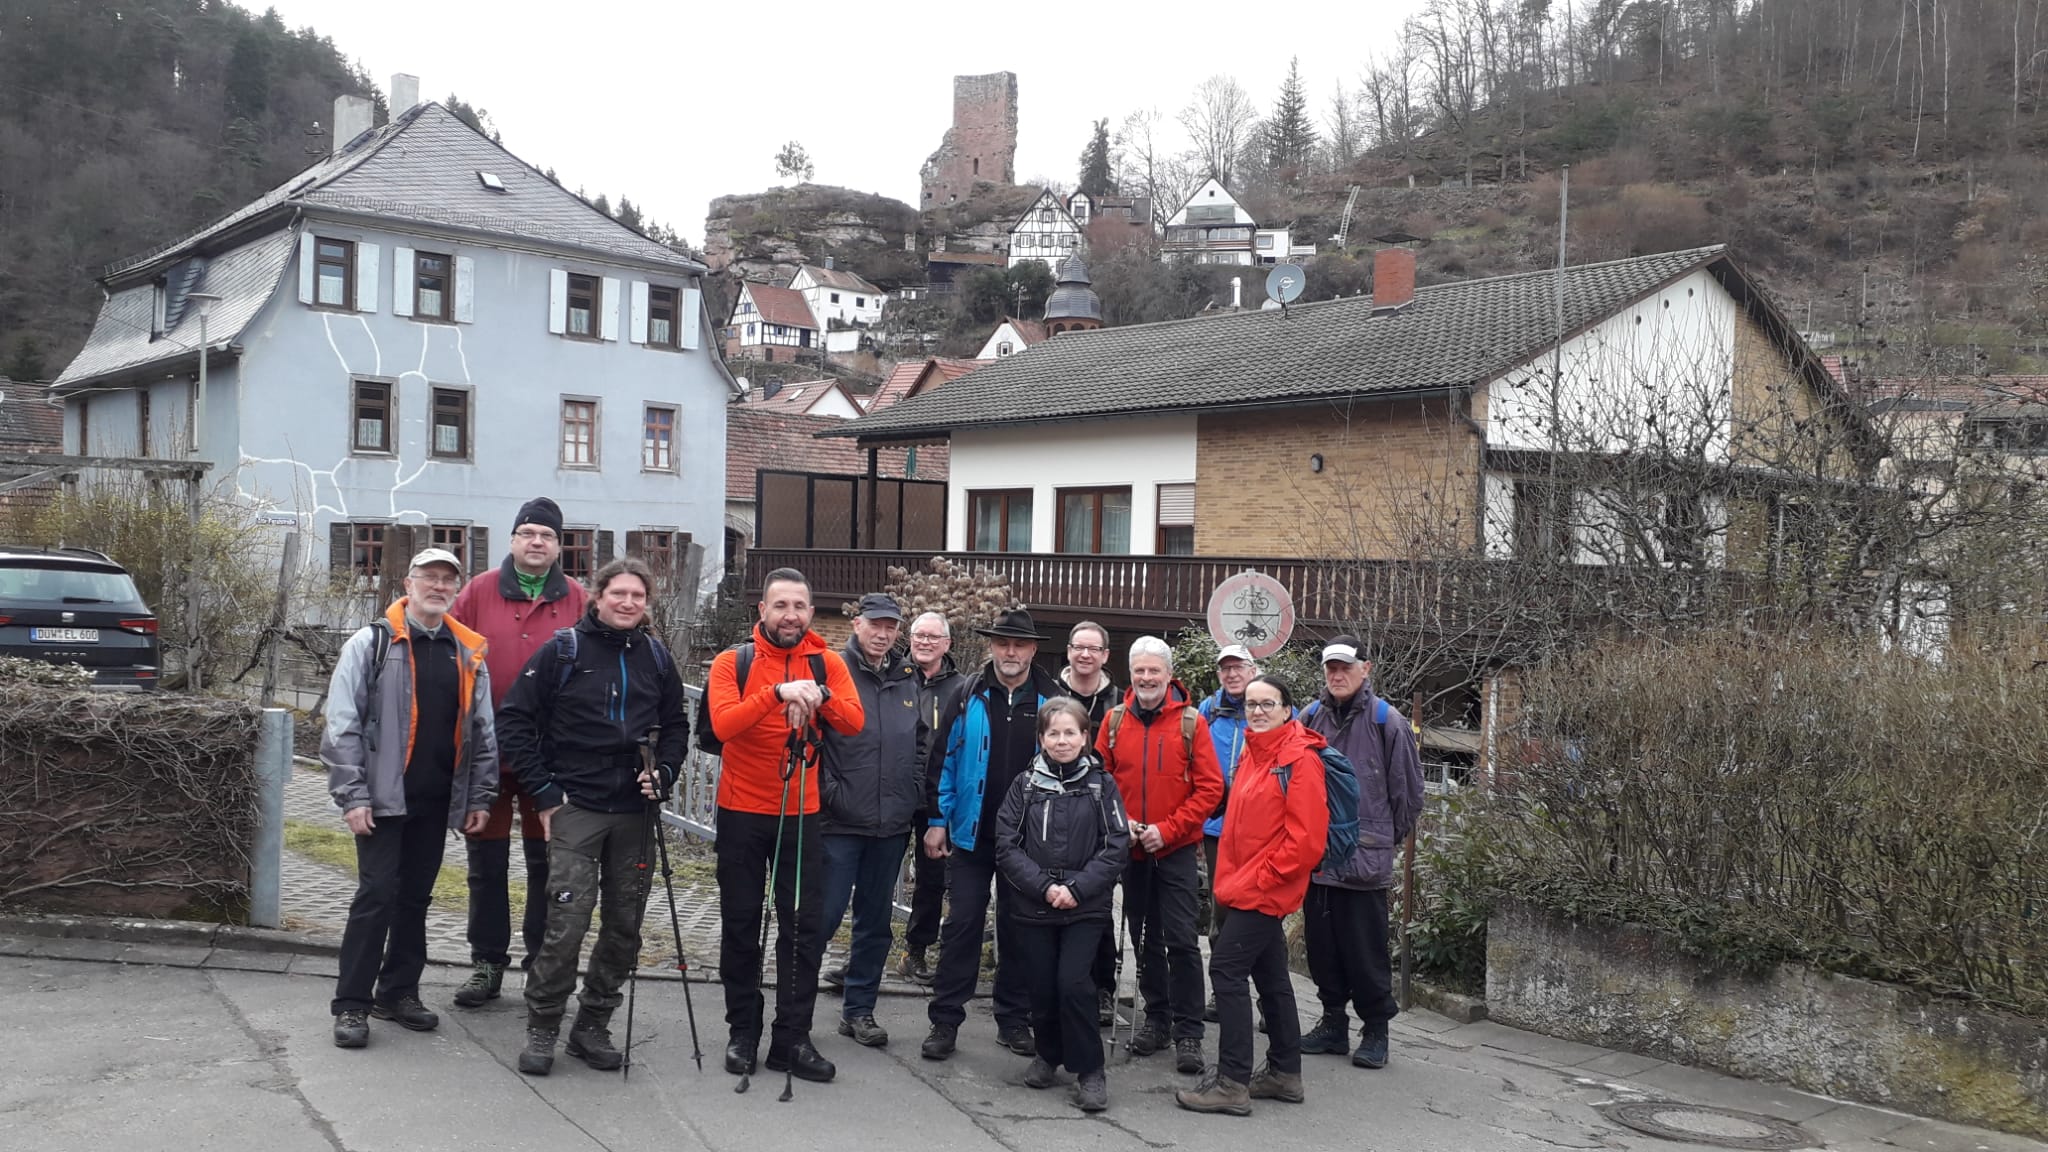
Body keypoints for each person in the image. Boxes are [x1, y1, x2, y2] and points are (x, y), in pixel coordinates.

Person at [495, 557, 687, 1076]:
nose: (628, 603)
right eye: (619, 593)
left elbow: (675, 725)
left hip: (635, 812)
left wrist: (664, 773)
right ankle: (543, 1026)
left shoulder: (656, 656)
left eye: (638, 596)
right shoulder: (563, 651)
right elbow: (513, 720)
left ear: (647, 604)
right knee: (567, 924)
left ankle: (593, 1024)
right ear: (597, 596)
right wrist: (544, 791)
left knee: (625, 928)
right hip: (576, 807)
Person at [323, 547, 497, 1049]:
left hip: (436, 800)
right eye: (429, 577)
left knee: (415, 899)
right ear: (408, 583)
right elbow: (341, 726)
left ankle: (397, 992)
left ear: (456, 589)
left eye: (448, 579)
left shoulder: (467, 651)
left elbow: (482, 731)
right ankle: (352, 1005)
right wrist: (352, 796)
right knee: (375, 896)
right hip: (379, 800)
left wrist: (479, 797)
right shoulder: (371, 643)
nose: (438, 586)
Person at [707, 568, 864, 1084]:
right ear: (763, 610)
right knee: (742, 924)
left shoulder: (829, 661)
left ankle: (792, 1037)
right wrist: (777, 692)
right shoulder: (734, 661)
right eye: (780, 605)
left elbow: (853, 721)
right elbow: (725, 724)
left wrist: (818, 693)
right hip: (741, 812)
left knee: (802, 930)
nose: (790, 615)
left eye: (799, 606)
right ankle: (742, 1030)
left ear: (810, 613)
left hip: (802, 813)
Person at [447, 496, 588, 1008]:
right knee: (486, 864)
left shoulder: (577, 600)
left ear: (558, 545)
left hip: (549, 760)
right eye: (527, 532)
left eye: (546, 535)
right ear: (512, 540)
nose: (536, 542)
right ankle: (486, 963)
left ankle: (539, 964)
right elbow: (449, 656)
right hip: (485, 754)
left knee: (546, 865)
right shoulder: (478, 592)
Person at [1178, 675, 1328, 1116]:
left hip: (1262, 889)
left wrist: (1257, 879)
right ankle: (1285, 1073)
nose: (1258, 711)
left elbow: (1306, 843)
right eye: (1251, 704)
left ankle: (1232, 1082)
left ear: (1287, 710)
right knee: (1272, 976)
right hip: (1243, 883)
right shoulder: (1254, 752)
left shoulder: (1298, 760)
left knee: (1225, 970)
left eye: (1268, 704)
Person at [920, 608, 1061, 1062]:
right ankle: (945, 1021)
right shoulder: (968, 693)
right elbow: (943, 762)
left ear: (1033, 650)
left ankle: (1013, 1019)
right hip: (970, 834)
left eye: (1019, 644)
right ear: (992, 647)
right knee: (961, 926)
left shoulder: (1052, 701)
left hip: (1028, 842)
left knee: (1019, 931)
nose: (1011, 652)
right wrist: (937, 821)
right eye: (1003, 643)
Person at [993, 697, 1129, 1114]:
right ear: (1042, 739)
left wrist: (1076, 888)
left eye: (1071, 732)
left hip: (1083, 907)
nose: (1062, 740)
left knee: (1073, 984)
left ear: (1085, 737)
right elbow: (1006, 844)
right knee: (1041, 984)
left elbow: (1116, 845)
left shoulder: (1101, 785)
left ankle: (1090, 1071)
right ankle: (1048, 1055)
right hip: (1034, 904)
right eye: (1054, 733)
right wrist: (1043, 887)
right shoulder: (1025, 784)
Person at [1094, 636, 1224, 1075]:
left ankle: (1189, 1032)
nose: (1146, 678)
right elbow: (1101, 780)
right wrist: (1126, 825)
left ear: (1169, 675)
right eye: (1139, 671)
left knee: (1182, 941)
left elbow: (1210, 788)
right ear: (1131, 674)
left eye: (1154, 671)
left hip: (1176, 850)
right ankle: (1157, 1018)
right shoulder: (1113, 721)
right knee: (1143, 938)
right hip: (1131, 849)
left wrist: (1167, 830)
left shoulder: (1191, 723)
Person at [1298, 635, 1424, 1070]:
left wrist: (1379, 841)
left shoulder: (1388, 722)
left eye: (1345, 667)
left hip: (1365, 860)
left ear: (1365, 669)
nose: (1337, 675)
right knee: (1322, 949)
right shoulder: (1309, 717)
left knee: (1366, 951)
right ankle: (1333, 1024)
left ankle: (1376, 1030)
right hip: (1317, 859)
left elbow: (1407, 796)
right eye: (1330, 667)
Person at [816, 594, 926, 1048]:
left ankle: (858, 1011)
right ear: (856, 624)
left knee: (875, 925)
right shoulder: (831, 671)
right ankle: (795, 1005)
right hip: (840, 823)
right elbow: (812, 742)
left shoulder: (907, 680)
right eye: (875, 625)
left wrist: (912, 793)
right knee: (820, 919)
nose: (883, 634)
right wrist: (831, 795)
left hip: (890, 824)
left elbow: (921, 745)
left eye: (891, 627)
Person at [1050, 620, 1121, 1027]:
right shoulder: (1050, 693)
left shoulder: (1117, 700)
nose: (1085, 655)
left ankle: (1102, 989)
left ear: (1105, 656)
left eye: (1094, 649)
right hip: (1053, 812)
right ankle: (1050, 987)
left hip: (1099, 813)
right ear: (1069, 651)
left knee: (1097, 907)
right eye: (1079, 647)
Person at [900, 611, 964, 985]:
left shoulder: (961, 687)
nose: (924, 642)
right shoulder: (894, 678)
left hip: (937, 798)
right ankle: (866, 951)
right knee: (876, 878)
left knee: (932, 879)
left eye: (932, 637)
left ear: (946, 644)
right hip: (892, 792)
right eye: (918, 635)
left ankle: (917, 950)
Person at [1197, 644, 1258, 1021]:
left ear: (1254, 670)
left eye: (1239, 668)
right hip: (1217, 828)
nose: (1232, 674)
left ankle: (1269, 1000)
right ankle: (1223, 994)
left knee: (1263, 914)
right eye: (1226, 669)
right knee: (1221, 914)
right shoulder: (1209, 709)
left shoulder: (1272, 707)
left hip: (1259, 829)